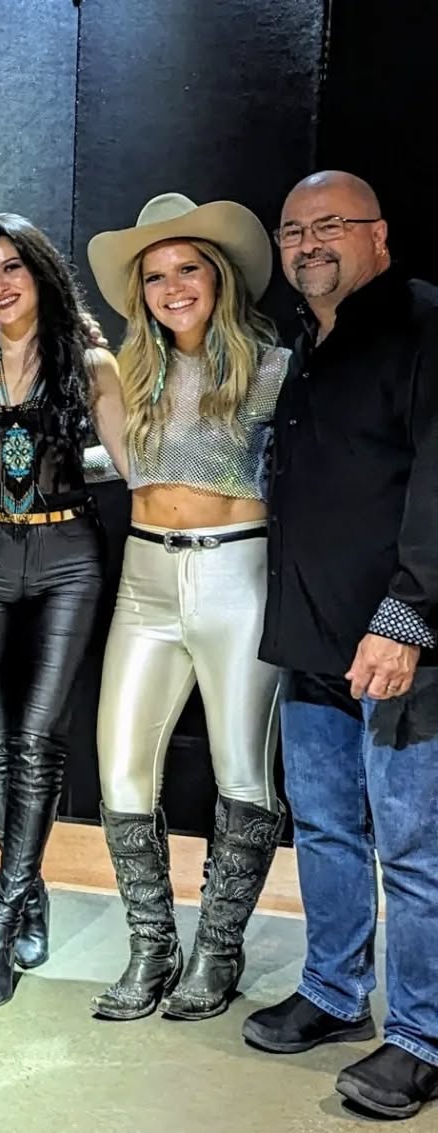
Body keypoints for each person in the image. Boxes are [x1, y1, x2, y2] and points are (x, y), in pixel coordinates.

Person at [241, 171, 438, 1121]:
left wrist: (409, 615)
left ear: (379, 234)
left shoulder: (425, 326)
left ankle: (419, 1036)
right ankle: (331, 989)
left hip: (398, 644)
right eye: (292, 231)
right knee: (322, 826)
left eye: (330, 227)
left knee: (411, 850)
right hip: (312, 638)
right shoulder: (303, 345)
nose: (308, 244)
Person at [85, 193, 290, 1022]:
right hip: (144, 579)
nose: (173, 286)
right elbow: (128, 465)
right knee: (121, 769)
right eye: (157, 274)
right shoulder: (132, 372)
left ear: (220, 277)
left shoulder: (272, 368)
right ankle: (151, 943)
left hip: (238, 577)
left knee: (244, 769)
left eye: (188, 268)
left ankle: (219, 949)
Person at [0, 213, 122, 1011]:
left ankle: (3, 916)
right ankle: (33, 885)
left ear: (39, 272)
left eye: (12, 267)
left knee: (40, 738)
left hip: (66, 558)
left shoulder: (89, 361)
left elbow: (133, 461)